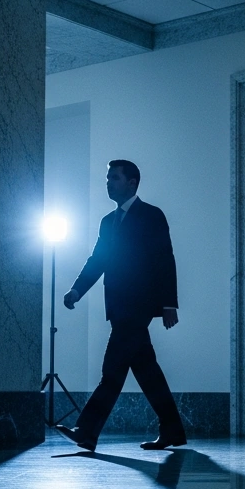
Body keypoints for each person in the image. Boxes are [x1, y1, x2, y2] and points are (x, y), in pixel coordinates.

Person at [54, 160, 187, 452]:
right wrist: (77, 290)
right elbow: (98, 260)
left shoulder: (152, 215)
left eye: (114, 178)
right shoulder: (107, 221)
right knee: (147, 371)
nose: (108, 183)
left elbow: (165, 259)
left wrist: (168, 304)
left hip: (137, 308)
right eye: (107, 178)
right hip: (118, 307)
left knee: (112, 372)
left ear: (132, 182)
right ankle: (173, 429)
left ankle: (87, 431)